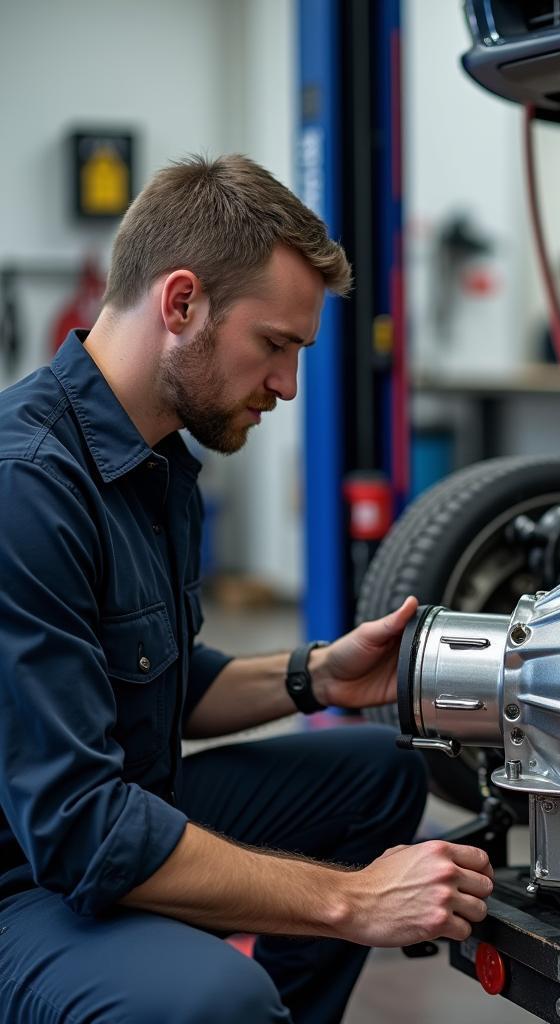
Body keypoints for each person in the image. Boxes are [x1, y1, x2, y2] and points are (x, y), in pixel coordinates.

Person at [0, 155, 494, 1024]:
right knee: (214, 999)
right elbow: (82, 830)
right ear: (181, 302)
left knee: (378, 775)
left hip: (117, 807)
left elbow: (165, 684)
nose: (287, 386)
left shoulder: (156, 464)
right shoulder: (28, 488)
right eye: (274, 346)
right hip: (25, 874)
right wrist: (354, 902)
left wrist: (319, 677)